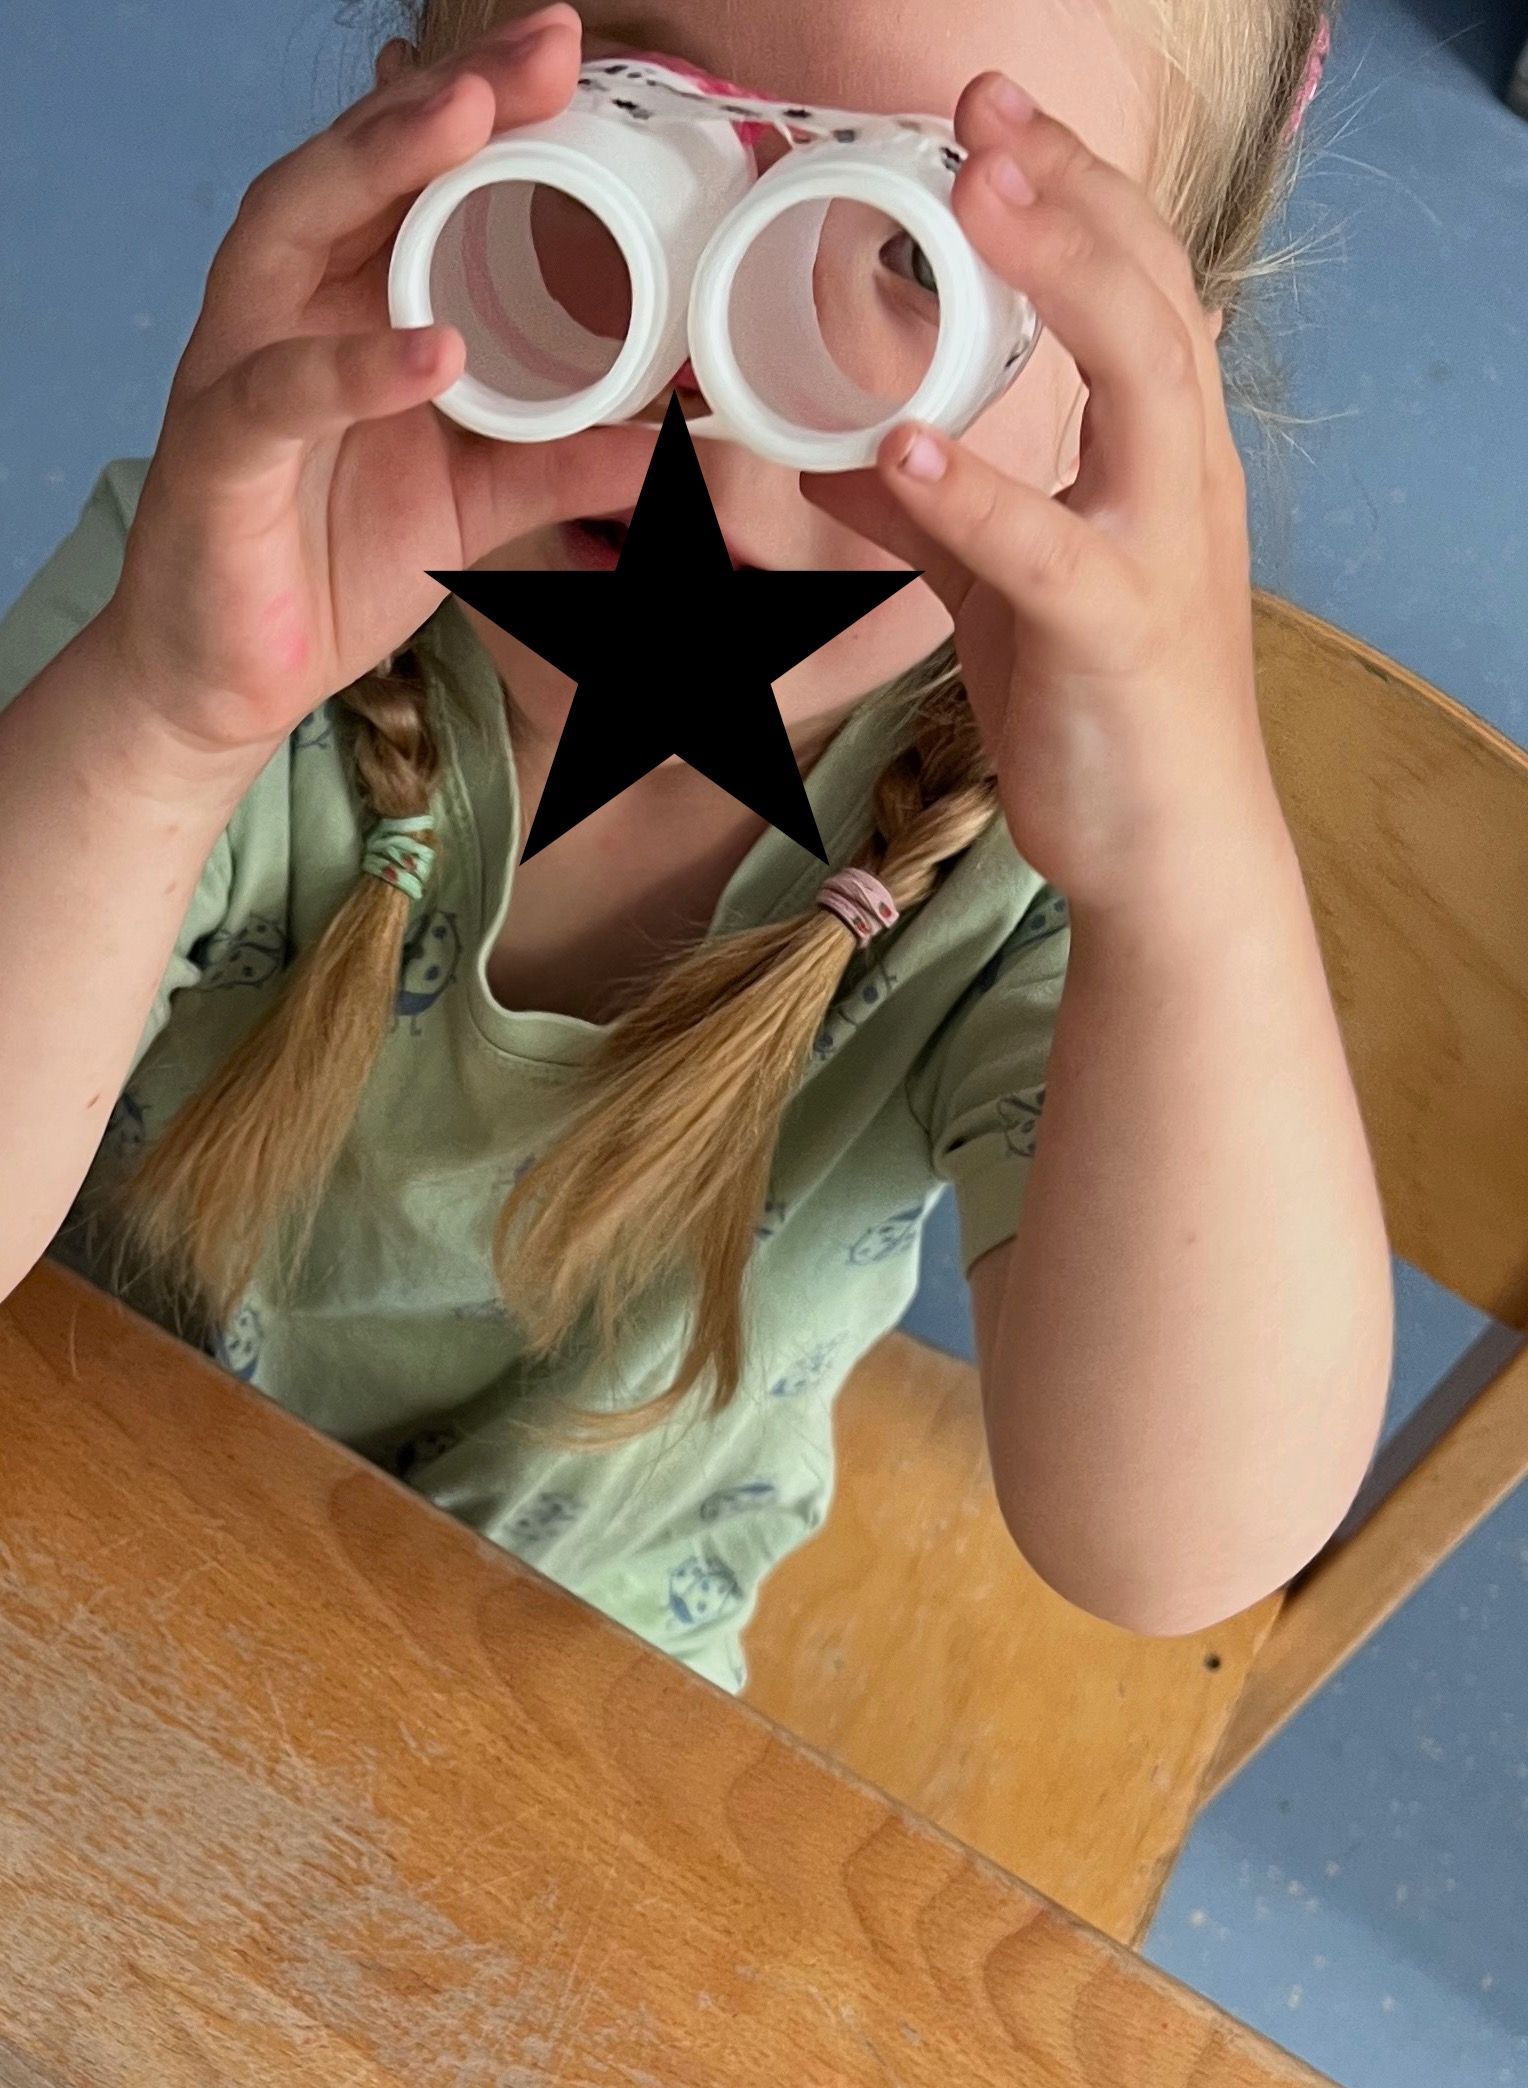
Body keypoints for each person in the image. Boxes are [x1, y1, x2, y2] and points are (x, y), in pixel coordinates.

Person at [0, 0, 1392, 1695]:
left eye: (919, 250)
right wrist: (164, 724)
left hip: (561, 1714)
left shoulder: (1038, 865)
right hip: (64, 1484)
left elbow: (1176, 1543)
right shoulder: (213, 606)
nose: (711, 390)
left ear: (1153, 384)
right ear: (410, 155)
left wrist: (1186, 893)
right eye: (614, 153)